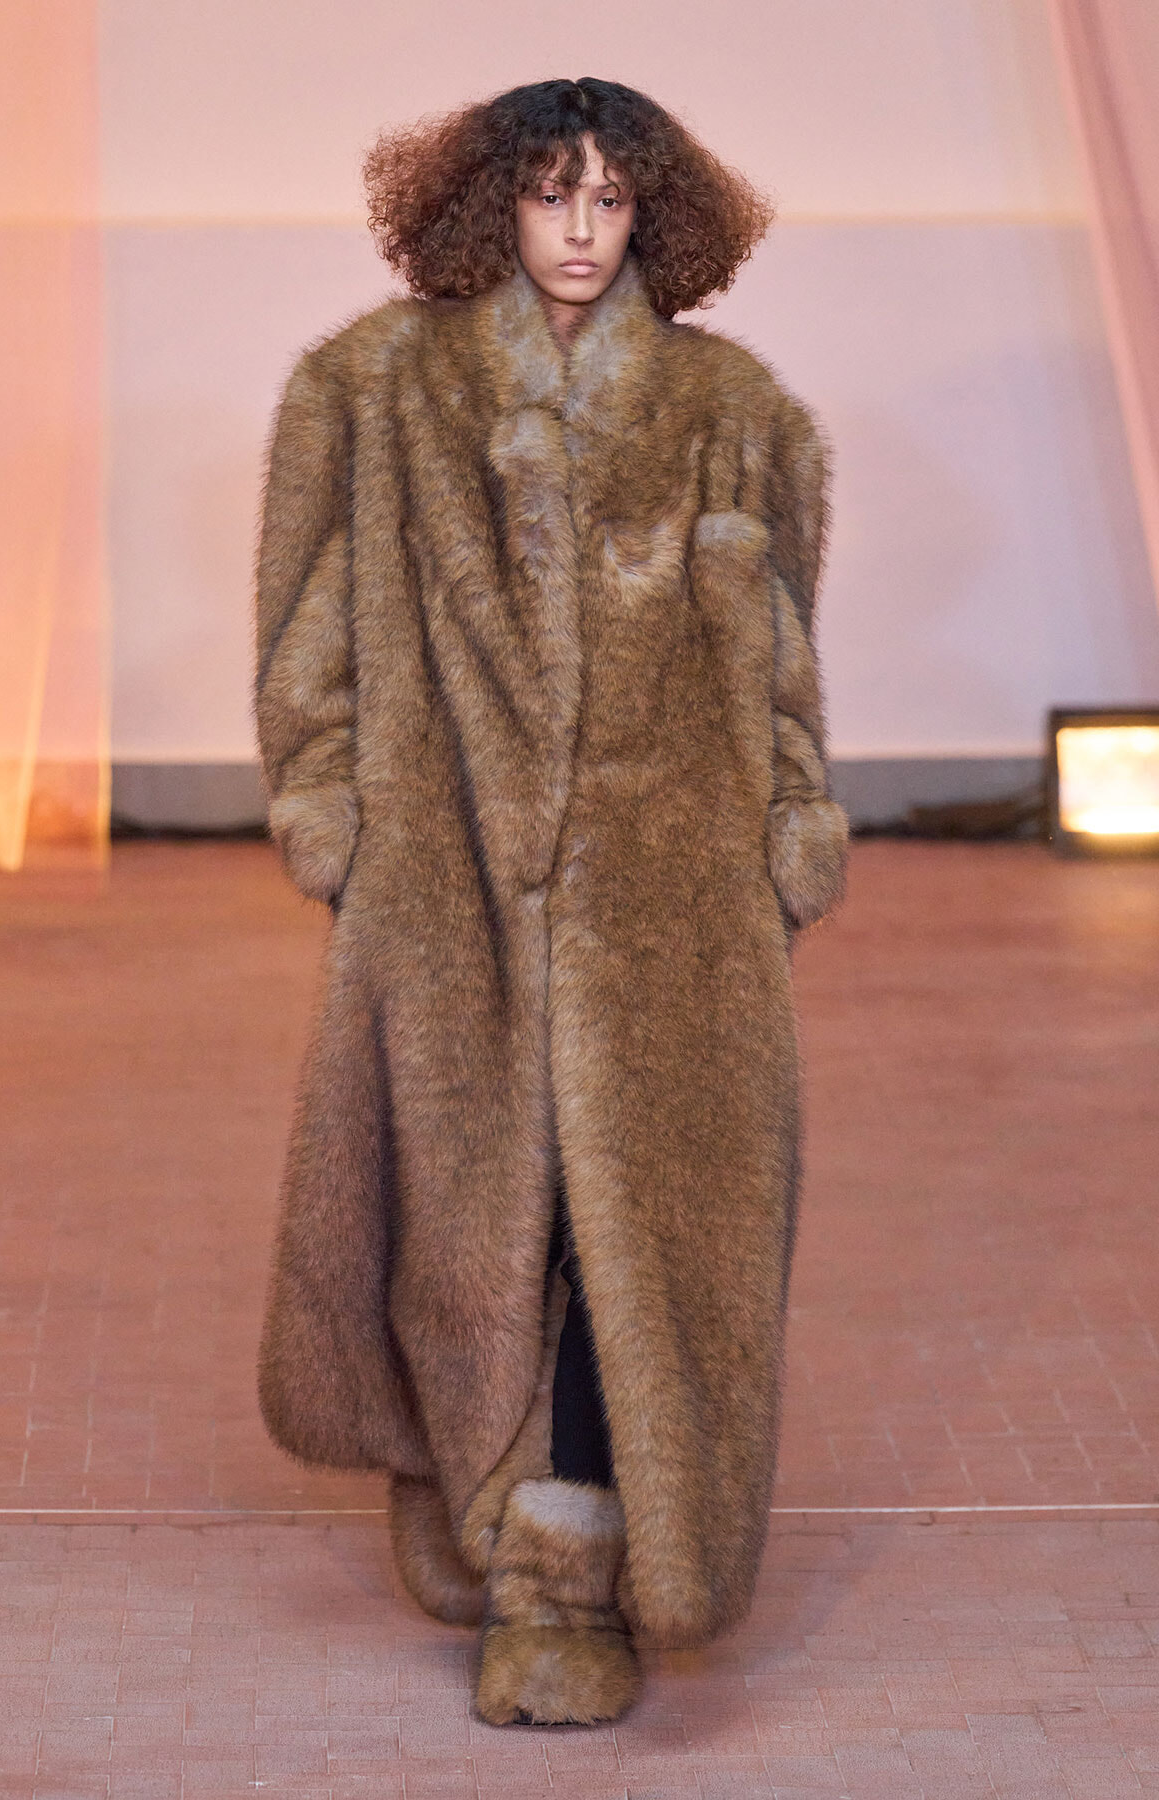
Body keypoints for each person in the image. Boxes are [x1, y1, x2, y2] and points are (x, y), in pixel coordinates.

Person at [252, 76, 848, 1727]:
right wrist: (337, 828)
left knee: (635, 1240)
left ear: (657, 211)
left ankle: (563, 1584)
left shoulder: (741, 414)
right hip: (447, 895)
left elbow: (785, 670)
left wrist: (788, 834)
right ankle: (484, 1517)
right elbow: (312, 648)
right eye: (547, 196)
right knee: (468, 1232)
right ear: (485, 208)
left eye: (609, 199)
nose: (581, 234)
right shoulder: (370, 396)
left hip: (678, 909)